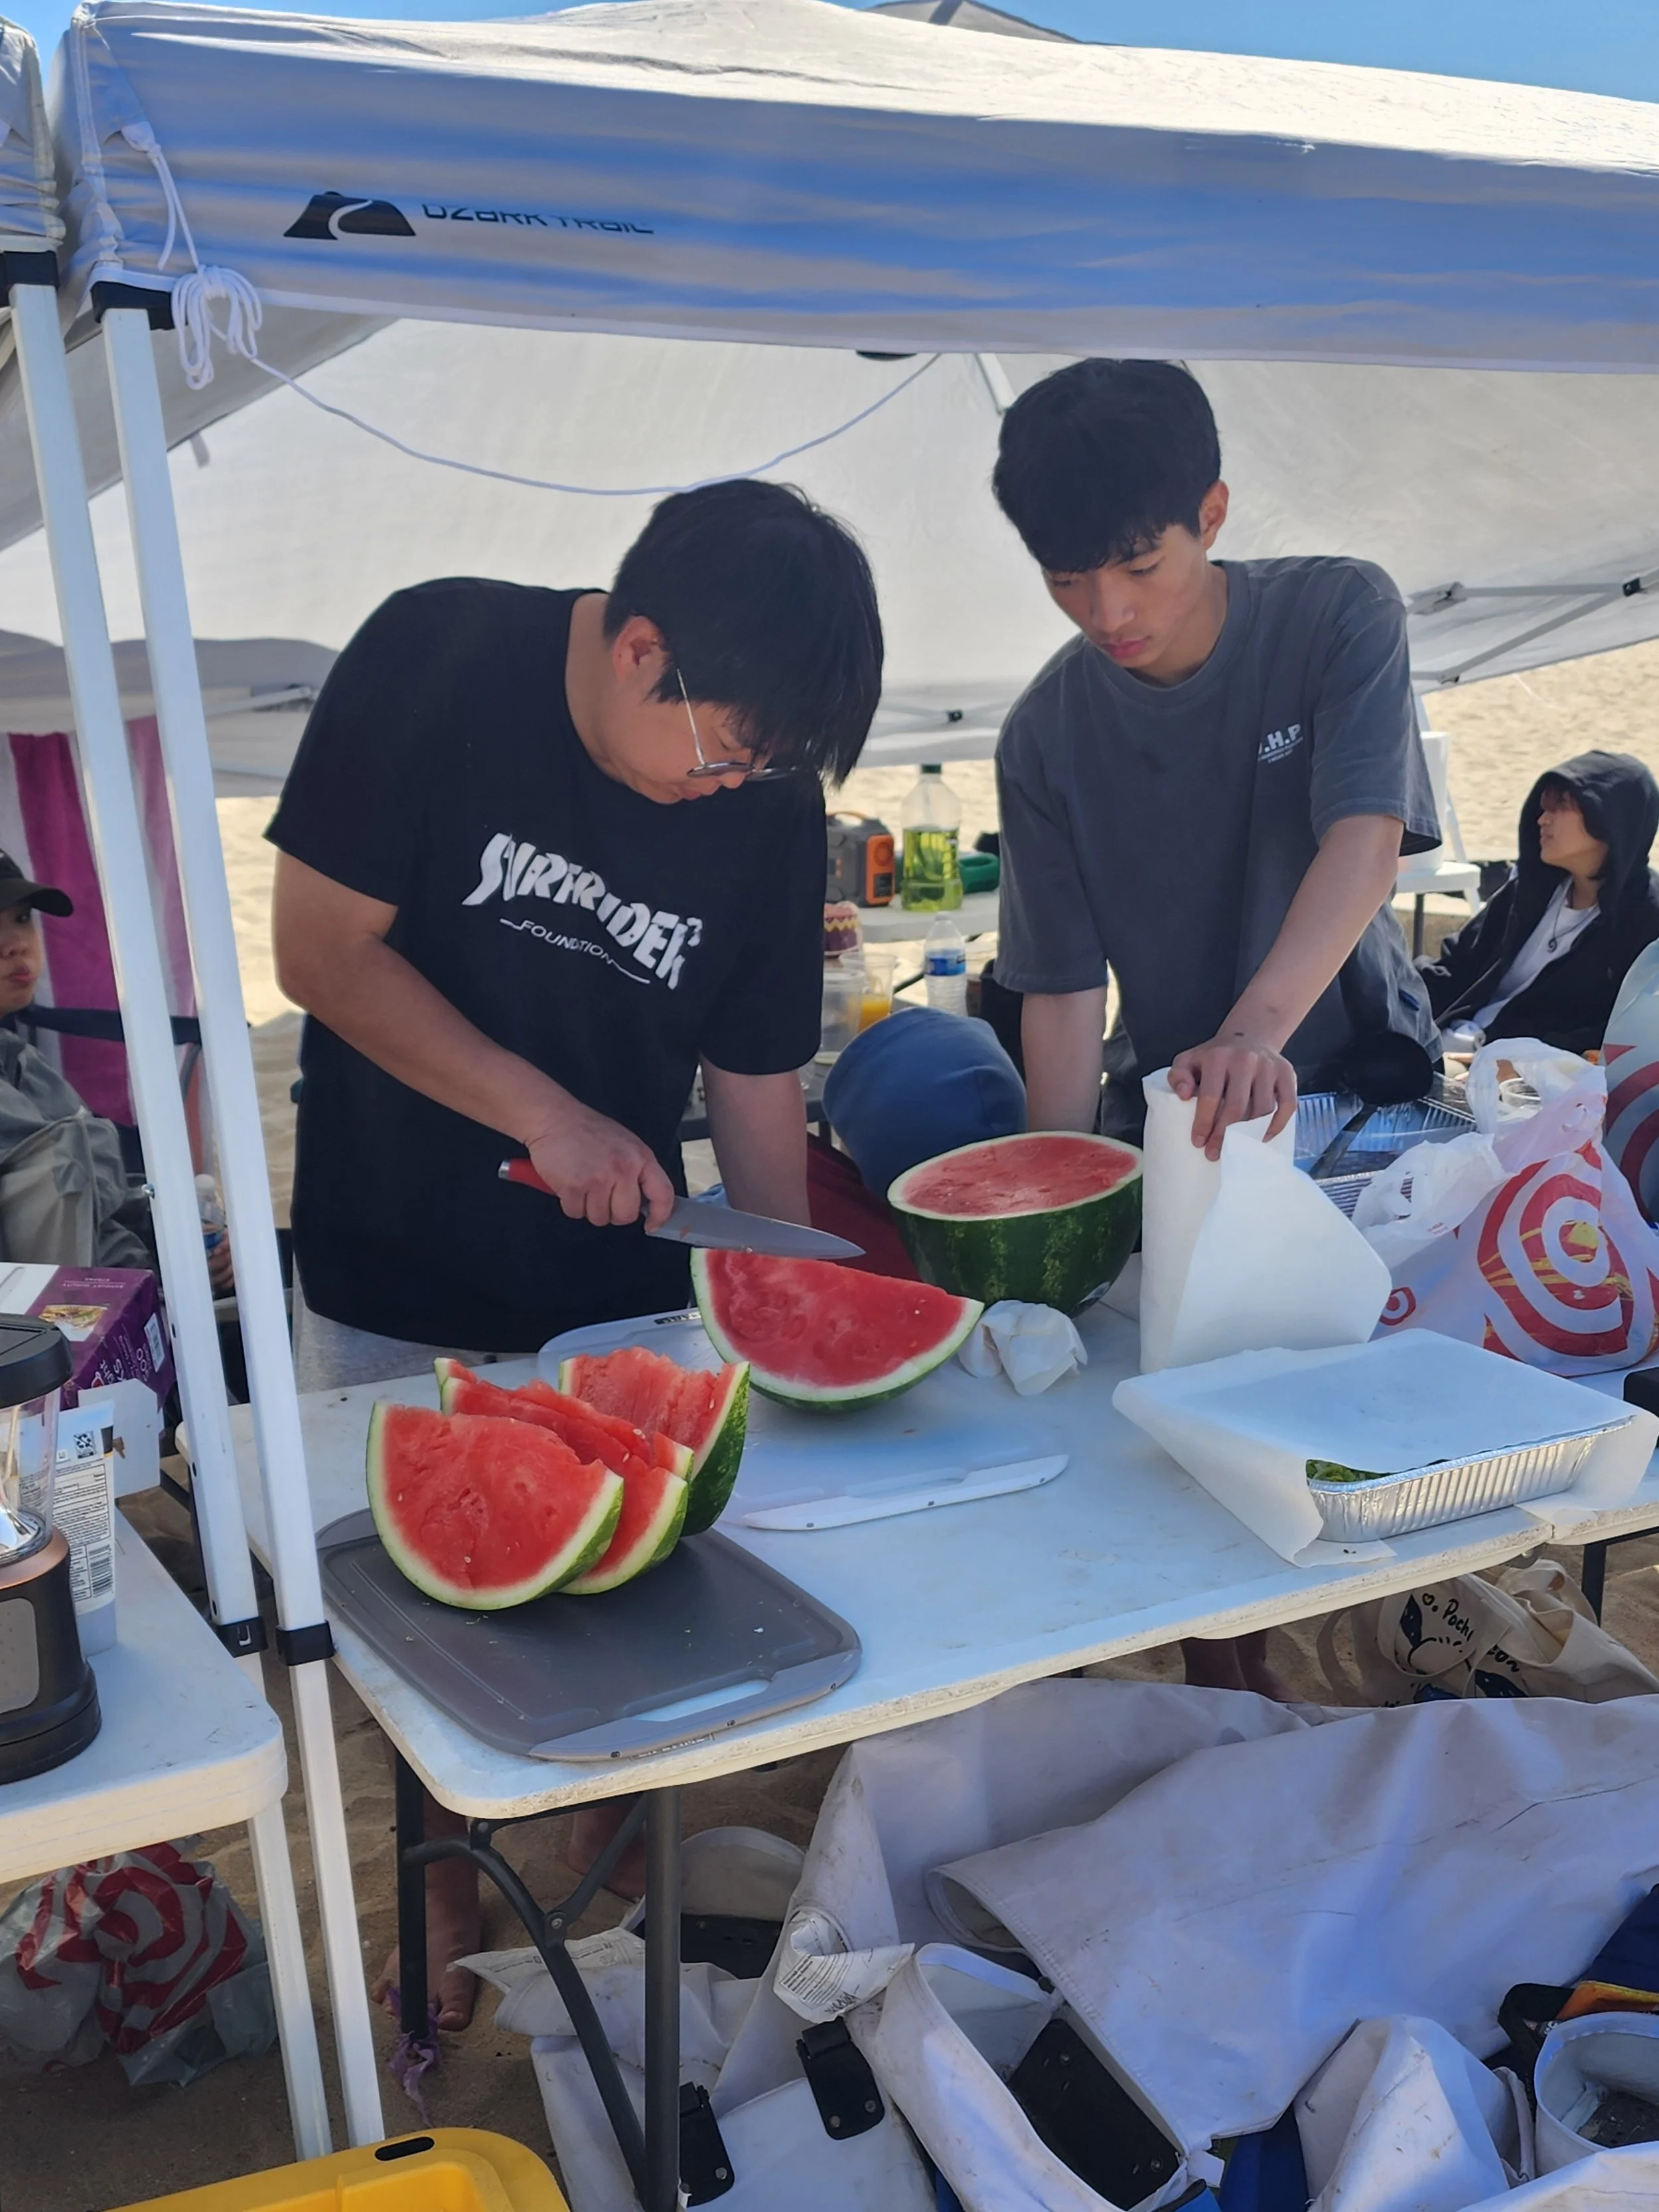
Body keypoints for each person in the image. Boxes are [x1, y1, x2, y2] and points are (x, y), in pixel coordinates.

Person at [269, 479, 883, 2028]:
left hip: (617, 1280)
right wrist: (546, 1115)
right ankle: (440, 1891)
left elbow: (754, 1080)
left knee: (618, 1599)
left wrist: (794, 1290)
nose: (731, 787)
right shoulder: (433, 662)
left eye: (764, 768)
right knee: (426, 1623)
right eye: (721, 749)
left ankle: (601, 1843)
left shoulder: (762, 801)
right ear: (637, 649)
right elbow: (319, 950)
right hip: (395, 1251)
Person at [989, 358, 1439, 1697]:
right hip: (1184, 1109)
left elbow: (1365, 840)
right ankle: (1231, 1683)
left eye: (1138, 566)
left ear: (1214, 512)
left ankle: (1438, 1651)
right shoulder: (1042, 733)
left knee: (1394, 1425)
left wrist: (1256, 1032)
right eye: (1067, 580)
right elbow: (1061, 989)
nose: (1108, 612)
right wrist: (1046, 1193)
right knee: (1192, 1415)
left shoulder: (1337, 611)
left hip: (1365, 1083)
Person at [0, 854, 224, 1278]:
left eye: (23, 919)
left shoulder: (19, 1061)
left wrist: (179, 1237)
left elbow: (96, 1209)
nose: (16, 945)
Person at [1419, 753, 1659, 1057]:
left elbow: (1621, 1032)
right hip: (1443, 1040)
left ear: (1610, 818)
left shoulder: (1644, 919)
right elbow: (1455, 967)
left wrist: (1509, 1060)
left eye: (1561, 806)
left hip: (1517, 1071)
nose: (1543, 819)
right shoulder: (1531, 890)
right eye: (1544, 805)